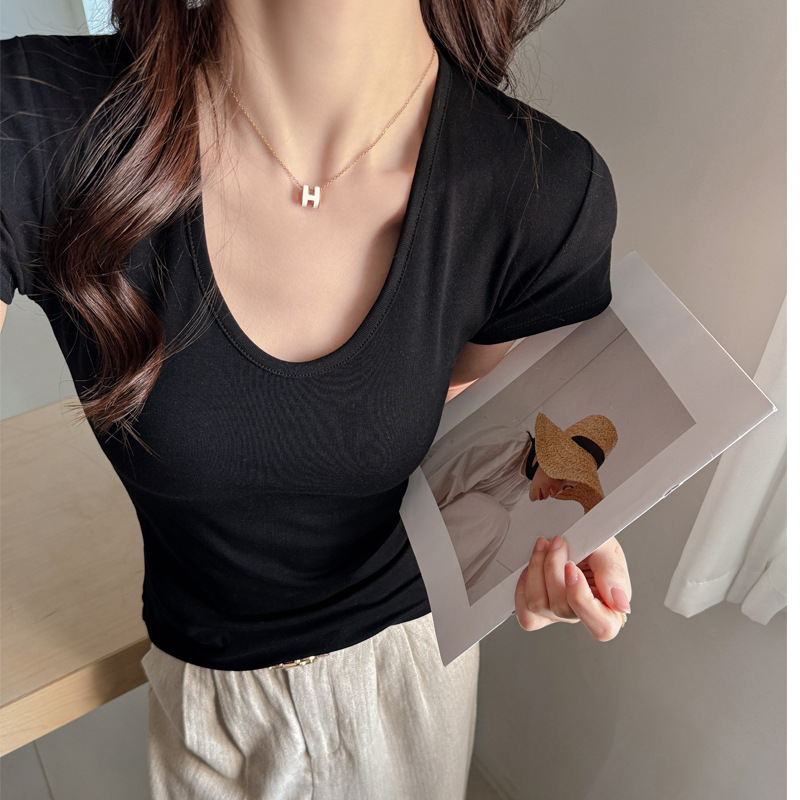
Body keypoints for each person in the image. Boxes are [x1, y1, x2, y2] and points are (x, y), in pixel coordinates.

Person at [0, 1, 632, 797]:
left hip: (407, 676)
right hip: (203, 685)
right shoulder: (38, 119)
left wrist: (557, 522)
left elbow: (469, 417)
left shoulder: (541, 191)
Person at [426, 412, 618, 591]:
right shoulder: (508, 445)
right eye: (560, 477)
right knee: (496, 518)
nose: (555, 492)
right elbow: (443, 476)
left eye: (567, 487)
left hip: (436, 541)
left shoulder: (524, 480)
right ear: (551, 455)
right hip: (423, 513)